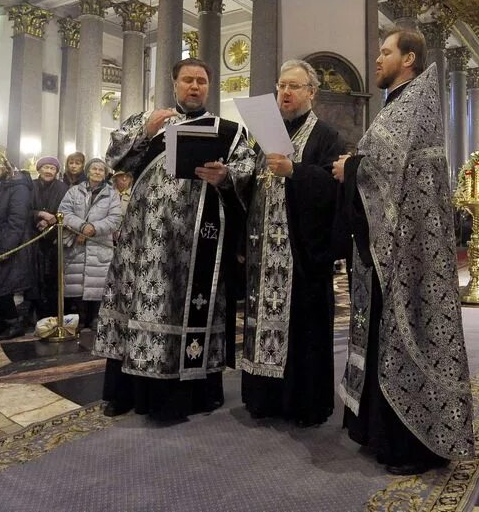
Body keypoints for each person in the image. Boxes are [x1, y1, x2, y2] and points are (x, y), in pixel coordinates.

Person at [332, 27, 473, 475]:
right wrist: (356, 168)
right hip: (390, 242)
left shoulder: (414, 101)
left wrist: (350, 167)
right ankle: (379, 432)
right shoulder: (398, 103)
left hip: (409, 248)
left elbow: (384, 170)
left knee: (407, 331)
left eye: (386, 52)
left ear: (408, 58)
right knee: (382, 333)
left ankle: (410, 445)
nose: (377, 59)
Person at [94, 58, 255, 419]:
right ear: (174, 84)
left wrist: (226, 175)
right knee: (139, 305)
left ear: (209, 87)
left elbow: (248, 170)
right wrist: (145, 133)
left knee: (185, 310)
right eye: (187, 80)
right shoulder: (148, 120)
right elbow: (114, 161)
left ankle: (191, 394)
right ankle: (126, 393)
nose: (194, 86)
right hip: (144, 240)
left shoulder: (227, 131)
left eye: (201, 80)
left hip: (196, 242)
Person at [240, 60, 345, 427]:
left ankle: (304, 403)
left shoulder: (326, 136)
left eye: (294, 86)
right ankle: (263, 399)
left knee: (305, 329)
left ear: (311, 92)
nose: (285, 93)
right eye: (281, 86)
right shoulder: (263, 137)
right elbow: (250, 182)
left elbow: (335, 187)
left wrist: (295, 171)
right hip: (263, 253)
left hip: (302, 257)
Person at [58, 158, 122, 331]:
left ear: (105, 173)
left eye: (101, 170)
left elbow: (115, 219)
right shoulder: (74, 191)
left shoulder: (112, 194)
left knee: (97, 283)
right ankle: (79, 317)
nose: (97, 172)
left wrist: (93, 228)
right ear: (88, 172)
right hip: (77, 244)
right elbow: (64, 212)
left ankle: (95, 317)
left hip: (99, 245)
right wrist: (82, 226)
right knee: (76, 283)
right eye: (94, 169)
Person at [0, 151, 35, 341]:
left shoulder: (18, 187)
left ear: (1, 166)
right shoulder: (2, 183)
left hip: (9, 244)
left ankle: (14, 322)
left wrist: (7, 248)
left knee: (4, 285)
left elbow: (17, 220)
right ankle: (2, 321)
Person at [29, 156, 67, 322]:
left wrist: (50, 220)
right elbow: (23, 207)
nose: (49, 171)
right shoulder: (30, 186)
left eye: (52, 168)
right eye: (46, 167)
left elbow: (65, 209)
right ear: (39, 169)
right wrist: (39, 215)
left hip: (53, 240)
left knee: (52, 279)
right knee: (33, 278)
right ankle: (34, 315)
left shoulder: (62, 188)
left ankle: (52, 316)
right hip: (32, 238)